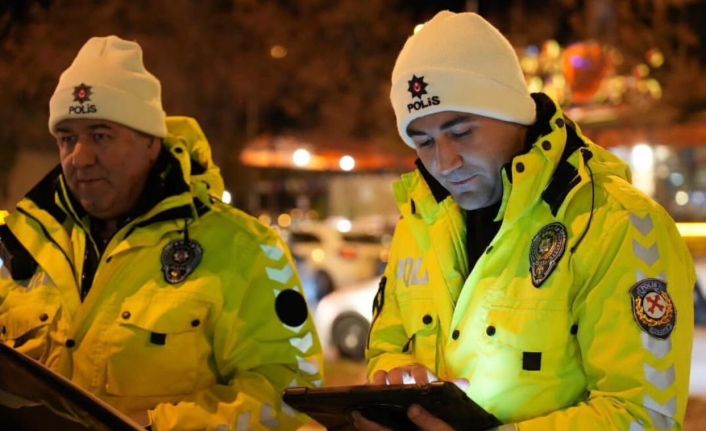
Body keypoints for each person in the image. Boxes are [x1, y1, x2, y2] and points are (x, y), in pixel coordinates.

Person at [357, 11, 694, 431]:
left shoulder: (619, 223)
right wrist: (394, 377)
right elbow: (386, 347)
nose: (444, 162)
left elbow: (645, 417)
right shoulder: (419, 220)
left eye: (461, 132)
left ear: (515, 113)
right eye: (423, 141)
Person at [0, 35, 322, 430]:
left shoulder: (246, 249)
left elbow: (289, 392)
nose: (79, 158)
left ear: (151, 141)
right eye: (67, 138)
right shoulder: (22, 243)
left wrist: (154, 427)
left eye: (101, 135)